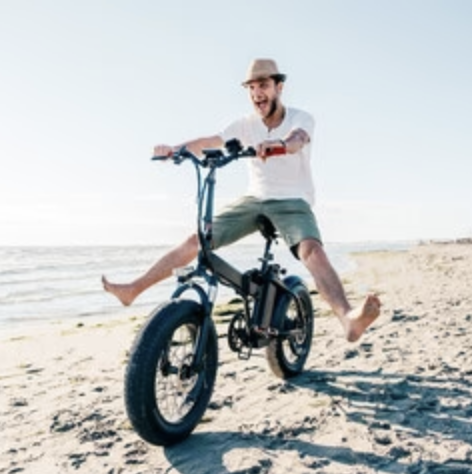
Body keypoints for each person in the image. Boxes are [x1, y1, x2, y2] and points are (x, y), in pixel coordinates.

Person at [102, 58, 381, 343]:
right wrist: (175, 149)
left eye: (263, 85)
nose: (257, 93)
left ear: (279, 87)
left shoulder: (300, 118)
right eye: (251, 87)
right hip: (254, 199)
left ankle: (348, 319)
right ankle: (133, 290)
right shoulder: (244, 125)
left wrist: (279, 145)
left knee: (312, 251)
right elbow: (210, 141)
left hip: (292, 200)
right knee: (196, 241)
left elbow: (298, 139)